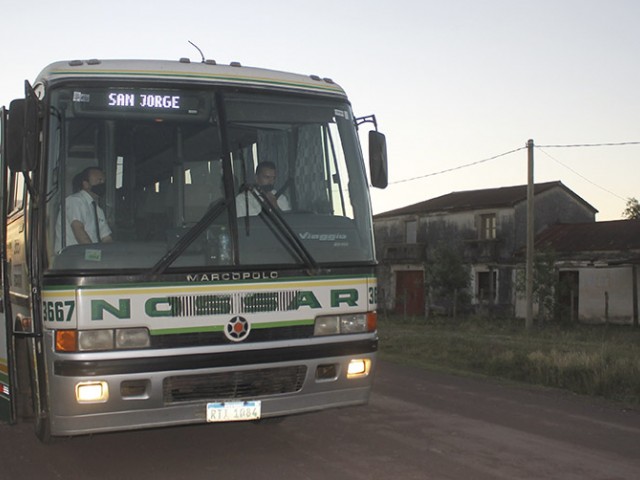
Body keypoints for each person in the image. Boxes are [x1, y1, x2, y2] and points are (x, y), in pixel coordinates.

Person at [55, 167, 113, 252]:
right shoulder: (75, 201)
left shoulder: (97, 209)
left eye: (103, 181)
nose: (102, 184)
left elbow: (106, 238)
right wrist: (95, 256)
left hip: (88, 259)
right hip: (72, 259)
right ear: (86, 184)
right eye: (99, 180)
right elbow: (79, 231)